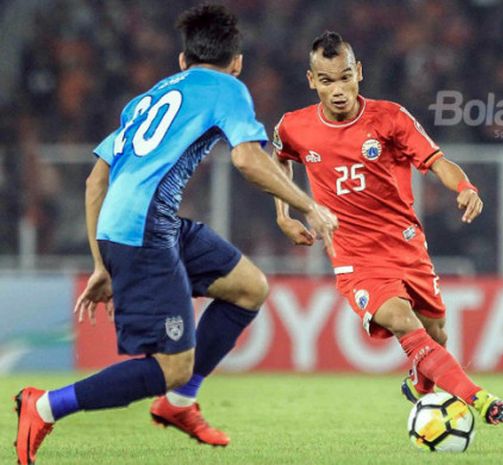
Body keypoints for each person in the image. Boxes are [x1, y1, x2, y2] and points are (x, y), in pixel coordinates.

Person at [13, 5, 337, 464]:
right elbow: (247, 160)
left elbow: (94, 183)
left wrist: (102, 262)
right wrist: (309, 206)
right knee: (171, 366)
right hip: (144, 229)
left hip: (139, 225)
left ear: (183, 60)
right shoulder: (229, 87)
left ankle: (180, 403)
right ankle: (44, 406)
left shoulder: (146, 98)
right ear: (237, 61)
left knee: (248, 288)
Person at [272, 31, 503, 424]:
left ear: (359, 73)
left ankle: (420, 385)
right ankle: (480, 399)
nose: (338, 89)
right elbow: (278, 158)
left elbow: (438, 161)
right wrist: (283, 214)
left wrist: (465, 186)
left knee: (436, 336)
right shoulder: (294, 127)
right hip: (354, 254)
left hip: (406, 245)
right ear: (312, 80)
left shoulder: (390, 118)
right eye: (327, 80)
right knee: (402, 320)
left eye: (345, 76)